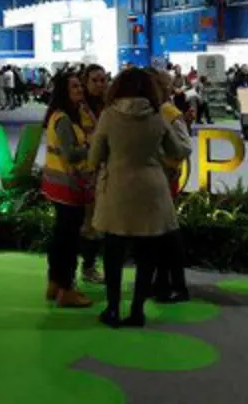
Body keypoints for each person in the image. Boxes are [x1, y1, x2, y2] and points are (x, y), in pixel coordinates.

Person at [88, 67, 192, 328]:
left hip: (117, 191)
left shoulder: (109, 116)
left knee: (113, 255)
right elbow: (178, 150)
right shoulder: (157, 116)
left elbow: (94, 157)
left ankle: (112, 309)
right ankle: (137, 312)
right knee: (147, 256)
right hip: (152, 191)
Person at [41, 72, 96, 309]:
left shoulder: (66, 116)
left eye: (79, 86)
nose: (79, 90)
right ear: (64, 91)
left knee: (61, 237)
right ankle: (67, 289)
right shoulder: (63, 120)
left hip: (60, 187)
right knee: (69, 241)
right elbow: (71, 154)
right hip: (69, 188)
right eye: (74, 86)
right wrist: (91, 146)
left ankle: (56, 283)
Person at [153, 69, 194, 303]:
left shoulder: (168, 112)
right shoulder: (158, 111)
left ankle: (174, 284)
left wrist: (163, 158)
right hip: (158, 177)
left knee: (167, 231)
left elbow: (185, 146)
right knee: (160, 232)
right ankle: (163, 281)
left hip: (166, 177)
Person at [78, 63, 108, 284]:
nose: (99, 84)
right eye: (94, 80)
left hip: (105, 171)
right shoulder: (78, 108)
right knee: (88, 223)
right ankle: (87, 267)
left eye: (103, 80)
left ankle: (91, 265)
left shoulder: (109, 106)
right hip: (84, 173)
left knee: (99, 222)